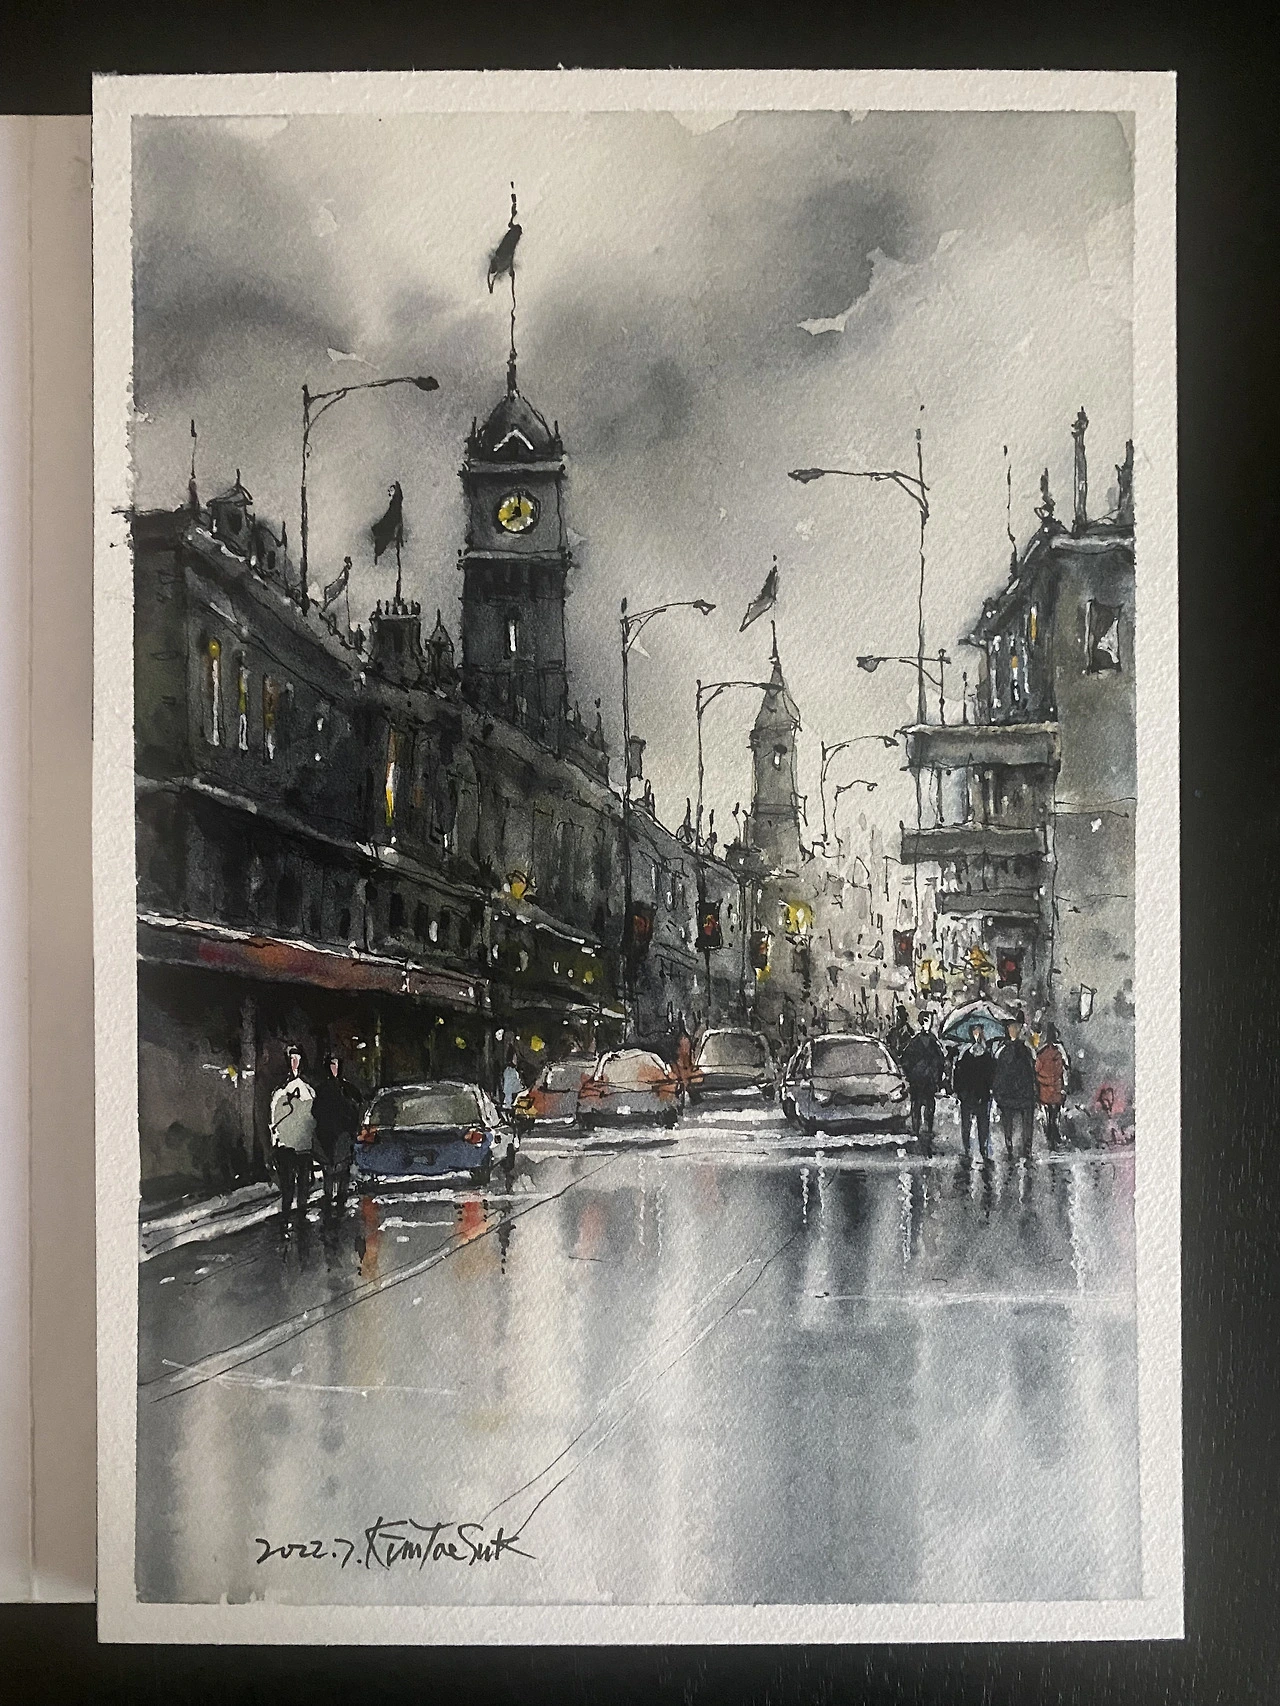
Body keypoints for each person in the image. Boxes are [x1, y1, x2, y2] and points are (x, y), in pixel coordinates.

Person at [269, 1044, 315, 1217]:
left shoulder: (308, 1089)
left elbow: (313, 1116)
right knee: (287, 1187)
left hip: (303, 1147)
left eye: (297, 1058)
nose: (294, 1062)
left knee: (303, 1186)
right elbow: (273, 1119)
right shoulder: (279, 1090)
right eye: (291, 1059)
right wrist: (275, 1142)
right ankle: (286, 1217)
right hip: (286, 1147)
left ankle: (301, 1218)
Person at [312, 1052, 361, 1212]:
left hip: (343, 1134)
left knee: (343, 1167)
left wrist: (351, 1129)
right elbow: (316, 1111)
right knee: (328, 1168)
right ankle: (328, 1198)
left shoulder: (347, 1088)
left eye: (337, 1065)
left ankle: (341, 1199)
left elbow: (355, 1108)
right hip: (327, 1134)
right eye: (332, 1065)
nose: (335, 1068)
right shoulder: (321, 1089)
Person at [993, 1016, 1039, 1157]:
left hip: (1024, 1092)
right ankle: (1009, 1146)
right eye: (1012, 1027)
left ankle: (1027, 1148)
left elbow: (1032, 1070)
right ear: (1007, 1029)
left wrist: (1034, 1089)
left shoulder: (1026, 1049)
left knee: (1027, 1122)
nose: (1015, 1030)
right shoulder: (1002, 1050)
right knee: (1008, 1122)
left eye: (1017, 1027)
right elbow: (998, 1072)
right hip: (1008, 1093)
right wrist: (997, 1092)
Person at [899, 1011, 947, 1146]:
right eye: (927, 1020)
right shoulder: (915, 1041)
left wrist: (937, 1076)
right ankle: (916, 1129)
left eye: (930, 1020)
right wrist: (912, 1073)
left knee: (930, 1106)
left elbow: (940, 1060)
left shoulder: (933, 1041)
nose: (929, 1023)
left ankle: (928, 1129)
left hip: (930, 1080)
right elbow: (906, 1060)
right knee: (917, 1106)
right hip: (918, 1080)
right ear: (922, 1022)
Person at [952, 1022, 995, 1160]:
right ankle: (967, 1149)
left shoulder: (987, 1054)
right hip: (968, 1094)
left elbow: (991, 1074)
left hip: (982, 1094)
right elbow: (959, 1074)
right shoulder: (965, 1053)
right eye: (974, 1032)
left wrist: (990, 1089)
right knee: (966, 1124)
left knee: (983, 1125)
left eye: (979, 1031)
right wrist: (959, 1092)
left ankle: (983, 1149)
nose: (977, 1034)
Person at [1035, 1022, 1070, 1146]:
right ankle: (1054, 1134)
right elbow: (1065, 1066)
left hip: (1044, 1086)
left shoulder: (1041, 1052)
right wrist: (1065, 1084)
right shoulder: (1059, 1050)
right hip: (1056, 1085)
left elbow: (1037, 1068)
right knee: (1055, 1111)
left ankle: (1050, 1135)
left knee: (1048, 1111)